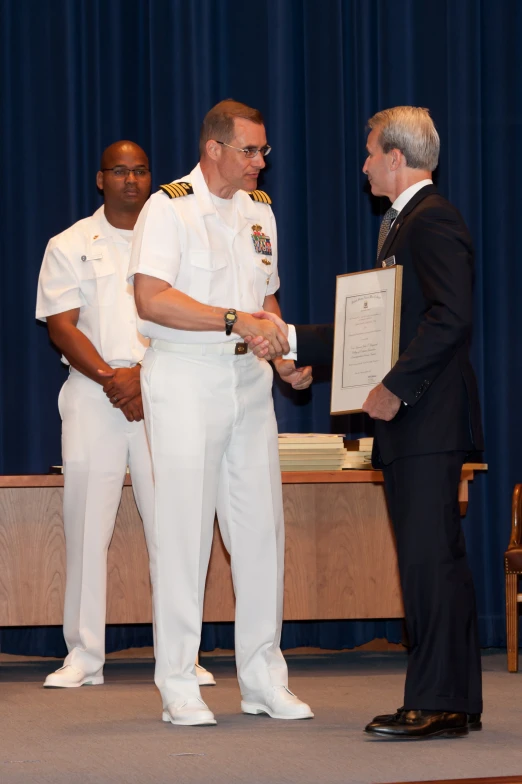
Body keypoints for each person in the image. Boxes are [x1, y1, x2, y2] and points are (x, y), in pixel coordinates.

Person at [251, 106, 484, 740]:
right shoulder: (405, 222)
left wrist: (393, 389)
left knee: (427, 562)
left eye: (370, 152)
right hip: (420, 421)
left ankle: (436, 701)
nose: (363, 164)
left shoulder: (431, 221)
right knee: (434, 561)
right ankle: (454, 698)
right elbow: (380, 330)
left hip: (425, 420)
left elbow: (450, 318)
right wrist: (294, 340)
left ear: (397, 159)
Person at [129, 99, 313, 726]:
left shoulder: (259, 210)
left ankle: (264, 678)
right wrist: (235, 320)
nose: (261, 161)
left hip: (248, 379)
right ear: (215, 149)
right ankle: (179, 683)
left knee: (261, 530)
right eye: (250, 150)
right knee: (184, 532)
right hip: (185, 376)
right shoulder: (169, 206)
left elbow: (265, 294)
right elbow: (151, 299)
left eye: (263, 151)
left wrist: (284, 354)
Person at [36, 141, 214, 690]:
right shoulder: (69, 242)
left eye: (140, 170)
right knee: (87, 524)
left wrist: (142, 376)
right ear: (100, 179)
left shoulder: (175, 236)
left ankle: (180, 657)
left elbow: (188, 312)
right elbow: (62, 326)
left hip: (166, 386)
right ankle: (84, 656)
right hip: (96, 392)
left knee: (176, 526)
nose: (131, 180)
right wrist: (115, 380)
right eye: (120, 170)